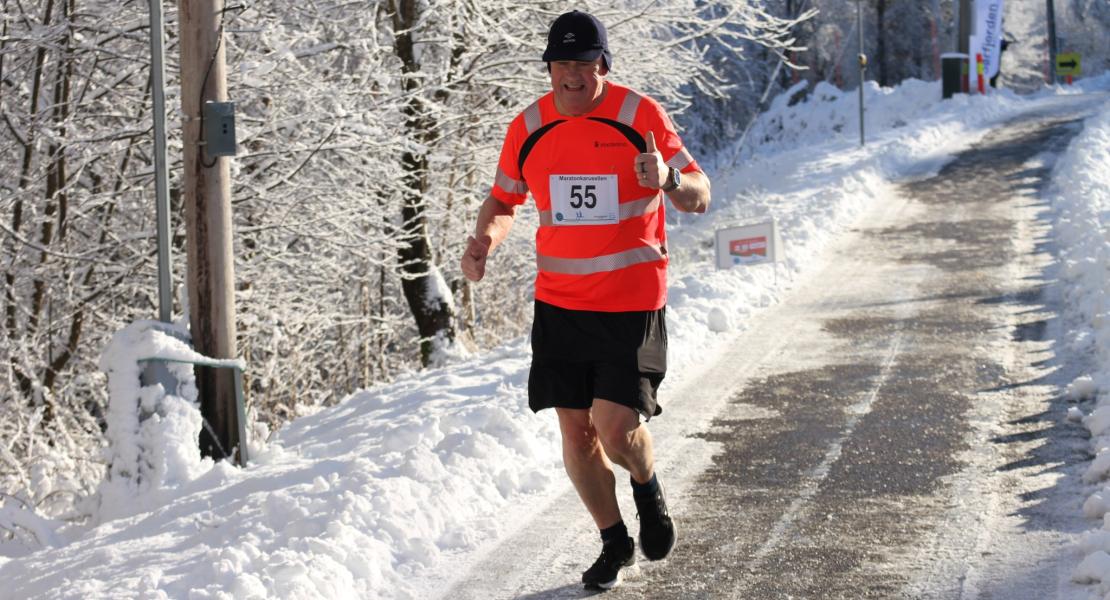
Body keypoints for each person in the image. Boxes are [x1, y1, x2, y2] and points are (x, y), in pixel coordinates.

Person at [460, 10, 711, 590]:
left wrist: (668, 181)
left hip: (631, 300)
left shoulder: (639, 116)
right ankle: (614, 539)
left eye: (583, 63)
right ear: (549, 68)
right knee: (576, 433)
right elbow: (503, 201)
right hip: (561, 303)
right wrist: (484, 243)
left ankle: (646, 485)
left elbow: (700, 194)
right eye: (560, 64)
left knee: (615, 428)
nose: (571, 75)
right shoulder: (529, 126)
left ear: (603, 64)